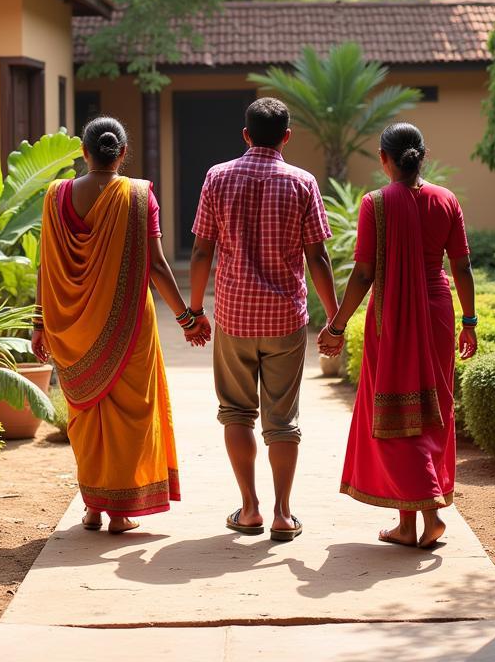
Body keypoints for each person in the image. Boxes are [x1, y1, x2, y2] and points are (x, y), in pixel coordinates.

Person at [32, 117, 210, 534]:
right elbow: (159, 266)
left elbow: (46, 263)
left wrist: (39, 323)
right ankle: (119, 512)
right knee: (131, 413)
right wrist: (187, 317)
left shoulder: (55, 196)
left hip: (70, 327)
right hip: (128, 321)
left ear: (83, 151)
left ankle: (93, 508)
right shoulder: (138, 195)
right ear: (123, 154)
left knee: (87, 414)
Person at [318, 122, 478, 549]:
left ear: (384, 159)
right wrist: (470, 321)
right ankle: (410, 525)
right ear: (422, 155)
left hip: (391, 317)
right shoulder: (446, 200)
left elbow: (365, 273)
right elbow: (461, 267)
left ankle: (424, 514)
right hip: (439, 313)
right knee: (429, 407)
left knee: (396, 414)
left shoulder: (376, 205)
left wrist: (336, 324)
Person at [189, 97, 338, 542]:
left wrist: (194, 312)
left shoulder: (217, 177)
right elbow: (318, 256)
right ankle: (283, 514)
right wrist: (333, 319)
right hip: (285, 321)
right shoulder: (303, 182)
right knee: (283, 421)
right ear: (287, 137)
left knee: (235, 412)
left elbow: (201, 250)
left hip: (234, 317)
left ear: (246, 135)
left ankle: (250, 509)